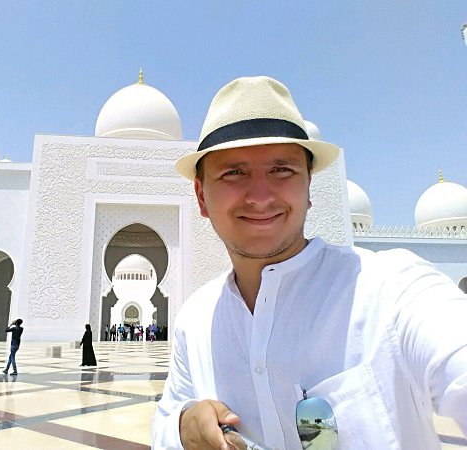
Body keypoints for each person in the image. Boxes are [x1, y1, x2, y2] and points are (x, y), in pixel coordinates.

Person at [152, 76, 467, 449]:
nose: (260, 197)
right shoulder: (196, 320)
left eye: (282, 170)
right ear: (202, 197)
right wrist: (184, 427)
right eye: (233, 172)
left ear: (308, 187)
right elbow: (165, 426)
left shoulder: (392, 290)